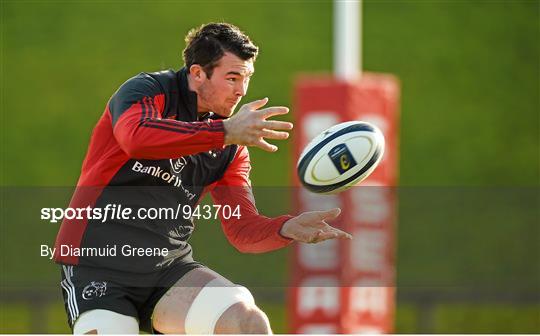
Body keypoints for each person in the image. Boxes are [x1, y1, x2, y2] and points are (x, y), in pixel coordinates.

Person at [54, 22, 351, 334]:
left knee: (247, 322)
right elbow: (135, 137)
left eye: (246, 78)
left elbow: (242, 229)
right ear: (197, 73)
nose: (242, 90)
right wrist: (223, 132)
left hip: (167, 270)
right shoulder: (148, 91)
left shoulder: (231, 147)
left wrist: (286, 227)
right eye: (232, 78)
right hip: (98, 264)